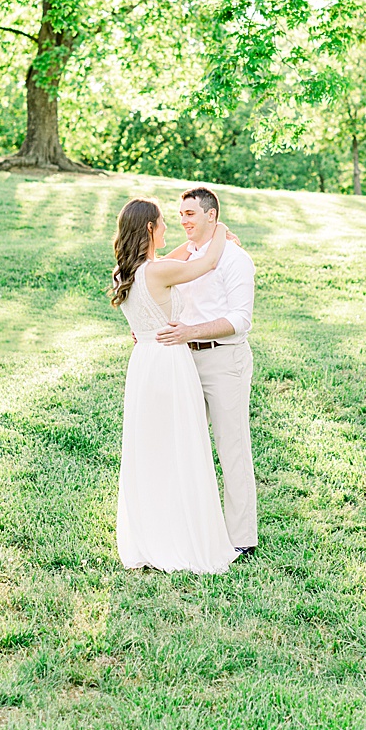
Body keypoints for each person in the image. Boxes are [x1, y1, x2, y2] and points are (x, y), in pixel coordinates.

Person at [108, 196, 237, 574]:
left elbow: (176, 258)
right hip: (169, 363)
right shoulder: (157, 272)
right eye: (163, 222)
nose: (169, 227)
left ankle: (152, 533)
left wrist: (196, 242)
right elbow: (206, 263)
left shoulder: (124, 273)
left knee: (151, 450)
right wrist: (220, 231)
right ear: (150, 228)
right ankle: (180, 536)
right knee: (179, 445)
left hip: (144, 364)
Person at [157, 187, 257, 557]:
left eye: (190, 214)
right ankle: (190, 527)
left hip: (224, 361)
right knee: (185, 444)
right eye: (180, 214)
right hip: (185, 360)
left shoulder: (236, 259)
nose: (183, 220)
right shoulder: (192, 256)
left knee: (232, 448)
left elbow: (239, 320)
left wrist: (191, 332)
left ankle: (241, 538)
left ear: (211, 216)